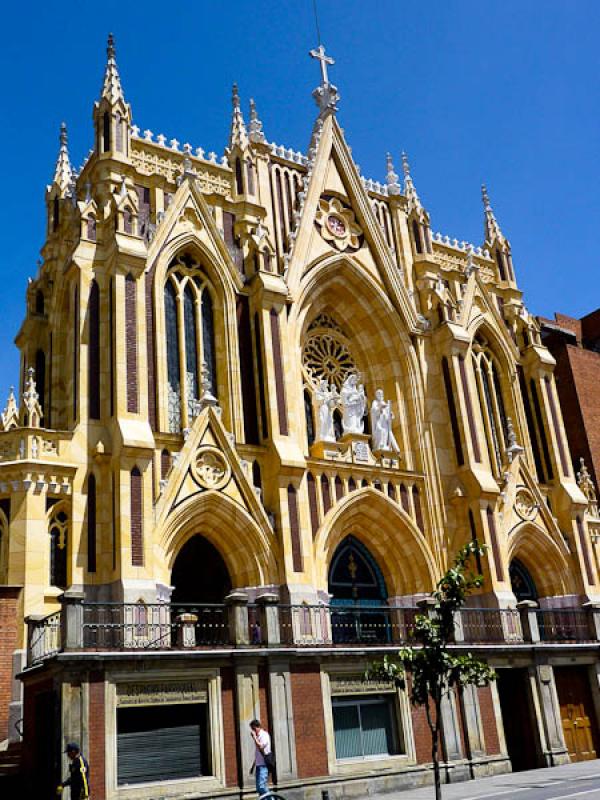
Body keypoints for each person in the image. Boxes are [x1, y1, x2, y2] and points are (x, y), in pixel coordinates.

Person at [250, 718, 272, 797]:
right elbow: (258, 753)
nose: (253, 731)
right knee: (259, 788)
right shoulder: (258, 736)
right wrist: (253, 766)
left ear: (257, 727)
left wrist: (254, 737)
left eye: (253, 728)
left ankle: (271, 799)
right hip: (258, 765)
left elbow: (260, 747)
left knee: (262, 786)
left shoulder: (264, 735)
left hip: (264, 765)